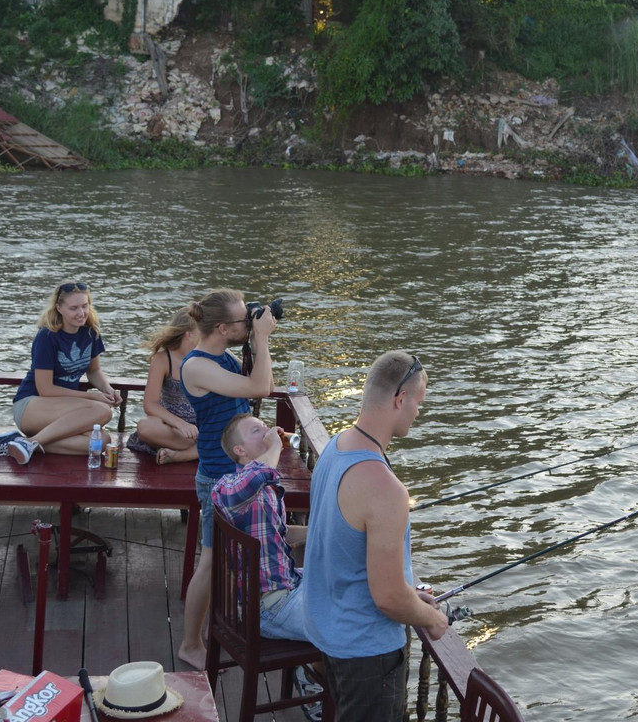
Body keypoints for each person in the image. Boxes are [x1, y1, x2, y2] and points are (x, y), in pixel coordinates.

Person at [302, 351, 448, 722]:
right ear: (400, 399)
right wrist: (430, 619)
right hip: (366, 654)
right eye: (419, 402)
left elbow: (345, 549)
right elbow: (386, 599)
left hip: (327, 633)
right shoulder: (386, 489)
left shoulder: (335, 449)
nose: (419, 411)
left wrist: (407, 593)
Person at [176, 288, 278, 669]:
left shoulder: (225, 357)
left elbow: (257, 380)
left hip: (237, 473)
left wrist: (255, 341)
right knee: (210, 561)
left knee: (229, 557)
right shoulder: (197, 365)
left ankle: (229, 627)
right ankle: (190, 644)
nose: (248, 323)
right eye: (242, 320)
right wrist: (262, 338)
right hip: (219, 479)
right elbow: (260, 388)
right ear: (221, 327)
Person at [0, 281, 122, 465]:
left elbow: (94, 370)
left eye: (84, 306)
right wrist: (93, 397)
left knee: (101, 442)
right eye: (73, 308)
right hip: (31, 404)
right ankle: (31, 441)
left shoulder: (91, 333)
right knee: (103, 411)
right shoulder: (47, 336)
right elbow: (45, 389)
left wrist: (107, 389)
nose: (81, 313)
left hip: (64, 408)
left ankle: (19, 443)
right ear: (59, 308)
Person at [213, 413, 307, 639]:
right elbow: (257, 476)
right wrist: (274, 444)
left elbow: (278, 533)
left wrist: (323, 532)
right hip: (269, 607)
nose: (267, 432)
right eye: (257, 431)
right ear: (240, 450)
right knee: (350, 624)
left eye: (265, 427)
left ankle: (312, 672)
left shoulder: (265, 488)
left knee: (351, 582)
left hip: (289, 584)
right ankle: (307, 674)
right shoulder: (227, 487)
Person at [125, 307, 200, 464]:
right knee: (145, 427)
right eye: (204, 332)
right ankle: (200, 449)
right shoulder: (163, 359)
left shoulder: (211, 356)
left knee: (230, 430)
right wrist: (181, 424)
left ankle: (181, 455)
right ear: (188, 334)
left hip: (204, 427)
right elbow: (150, 405)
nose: (208, 337)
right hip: (172, 428)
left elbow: (244, 375)